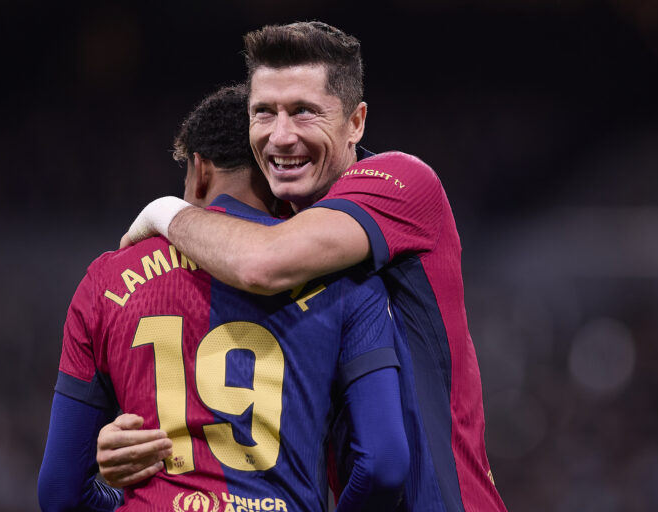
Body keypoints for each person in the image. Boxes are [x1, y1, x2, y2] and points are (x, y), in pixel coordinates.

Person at [109, 21, 508, 512]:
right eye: (264, 113)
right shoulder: (276, 228)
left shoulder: (401, 184)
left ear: (356, 122)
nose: (281, 136)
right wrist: (128, 444)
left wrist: (164, 211)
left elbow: (262, 263)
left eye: (303, 112)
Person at [38, 84, 409, 511]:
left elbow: (59, 492)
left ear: (200, 170)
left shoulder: (107, 281)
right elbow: (384, 463)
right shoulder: (346, 277)